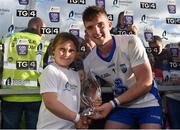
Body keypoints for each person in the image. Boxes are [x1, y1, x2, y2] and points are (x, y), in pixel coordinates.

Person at [82, 6, 163, 129]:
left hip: (148, 103)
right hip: (122, 106)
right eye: (90, 27)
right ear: (86, 32)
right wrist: (91, 105)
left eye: (100, 25)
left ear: (109, 24)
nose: (96, 31)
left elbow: (145, 83)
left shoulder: (131, 42)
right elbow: (92, 94)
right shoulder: (89, 62)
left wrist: (112, 103)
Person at [0, 17, 50, 129]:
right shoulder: (45, 43)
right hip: (36, 96)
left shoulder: (7, 39)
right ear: (39, 27)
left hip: (9, 95)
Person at [36, 32, 89, 129]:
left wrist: (90, 104)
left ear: (76, 54)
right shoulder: (50, 70)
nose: (66, 54)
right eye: (62, 49)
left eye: (71, 50)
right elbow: (51, 103)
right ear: (53, 50)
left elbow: (74, 101)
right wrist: (77, 118)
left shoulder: (75, 74)